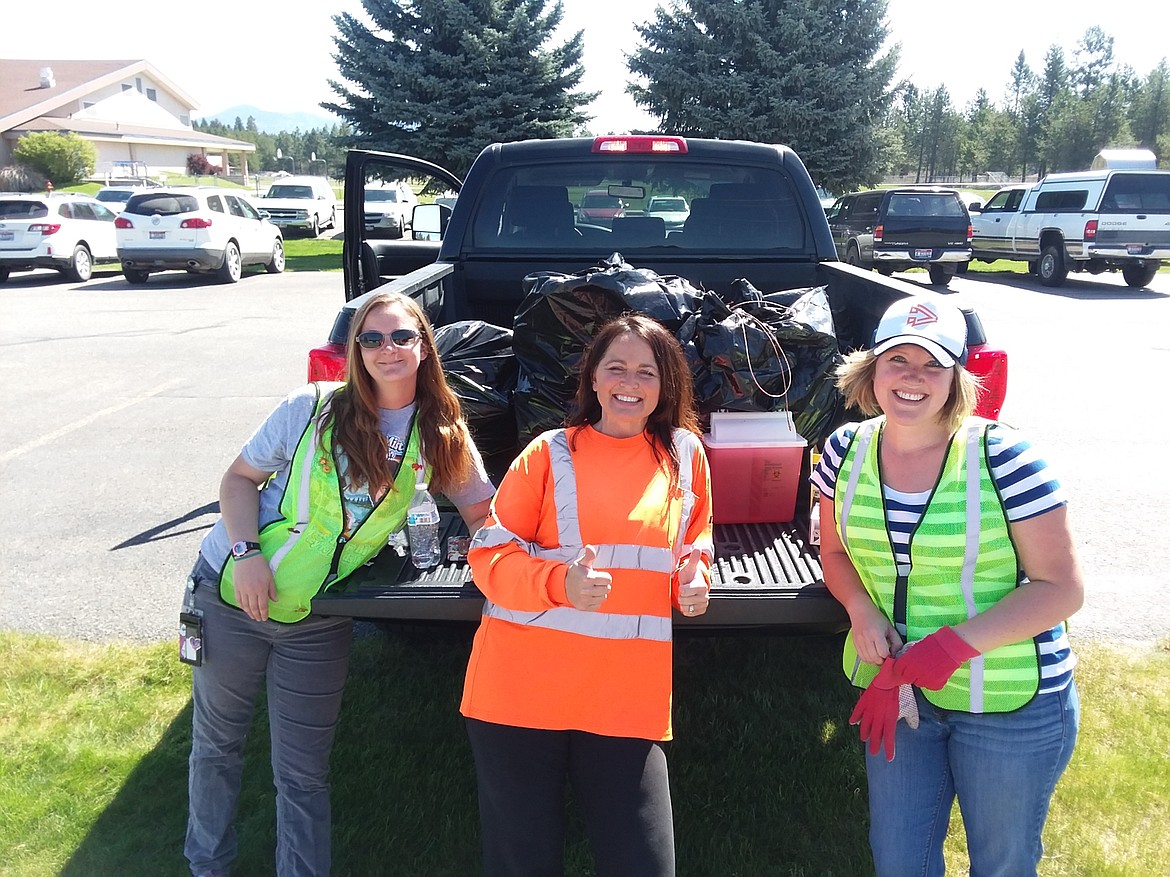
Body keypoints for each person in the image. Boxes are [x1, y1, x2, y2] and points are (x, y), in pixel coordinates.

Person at [183, 290, 495, 877]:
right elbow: (238, 479)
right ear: (355, 351)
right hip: (229, 593)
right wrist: (247, 553)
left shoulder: (441, 430)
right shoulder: (312, 407)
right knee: (217, 746)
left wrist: (499, 554)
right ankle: (207, 866)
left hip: (318, 614)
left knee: (302, 772)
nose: (387, 349)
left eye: (401, 336)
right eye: (371, 339)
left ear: (425, 346)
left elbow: (483, 512)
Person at [811, 295, 1085, 877]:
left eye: (933, 364)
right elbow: (833, 553)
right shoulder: (843, 450)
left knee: (1001, 864)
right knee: (900, 862)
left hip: (1010, 702)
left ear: (957, 376)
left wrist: (948, 648)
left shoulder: (1006, 456)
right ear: (871, 369)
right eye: (897, 360)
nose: (913, 378)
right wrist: (861, 612)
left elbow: (1060, 589)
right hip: (900, 693)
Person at [460, 313, 714, 876]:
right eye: (615, 368)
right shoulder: (547, 453)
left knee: (643, 863)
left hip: (625, 697)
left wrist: (694, 575)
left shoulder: (686, 454)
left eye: (646, 371)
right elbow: (488, 557)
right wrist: (560, 584)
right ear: (593, 380)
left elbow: (692, 536)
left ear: (665, 384)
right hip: (520, 691)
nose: (630, 382)